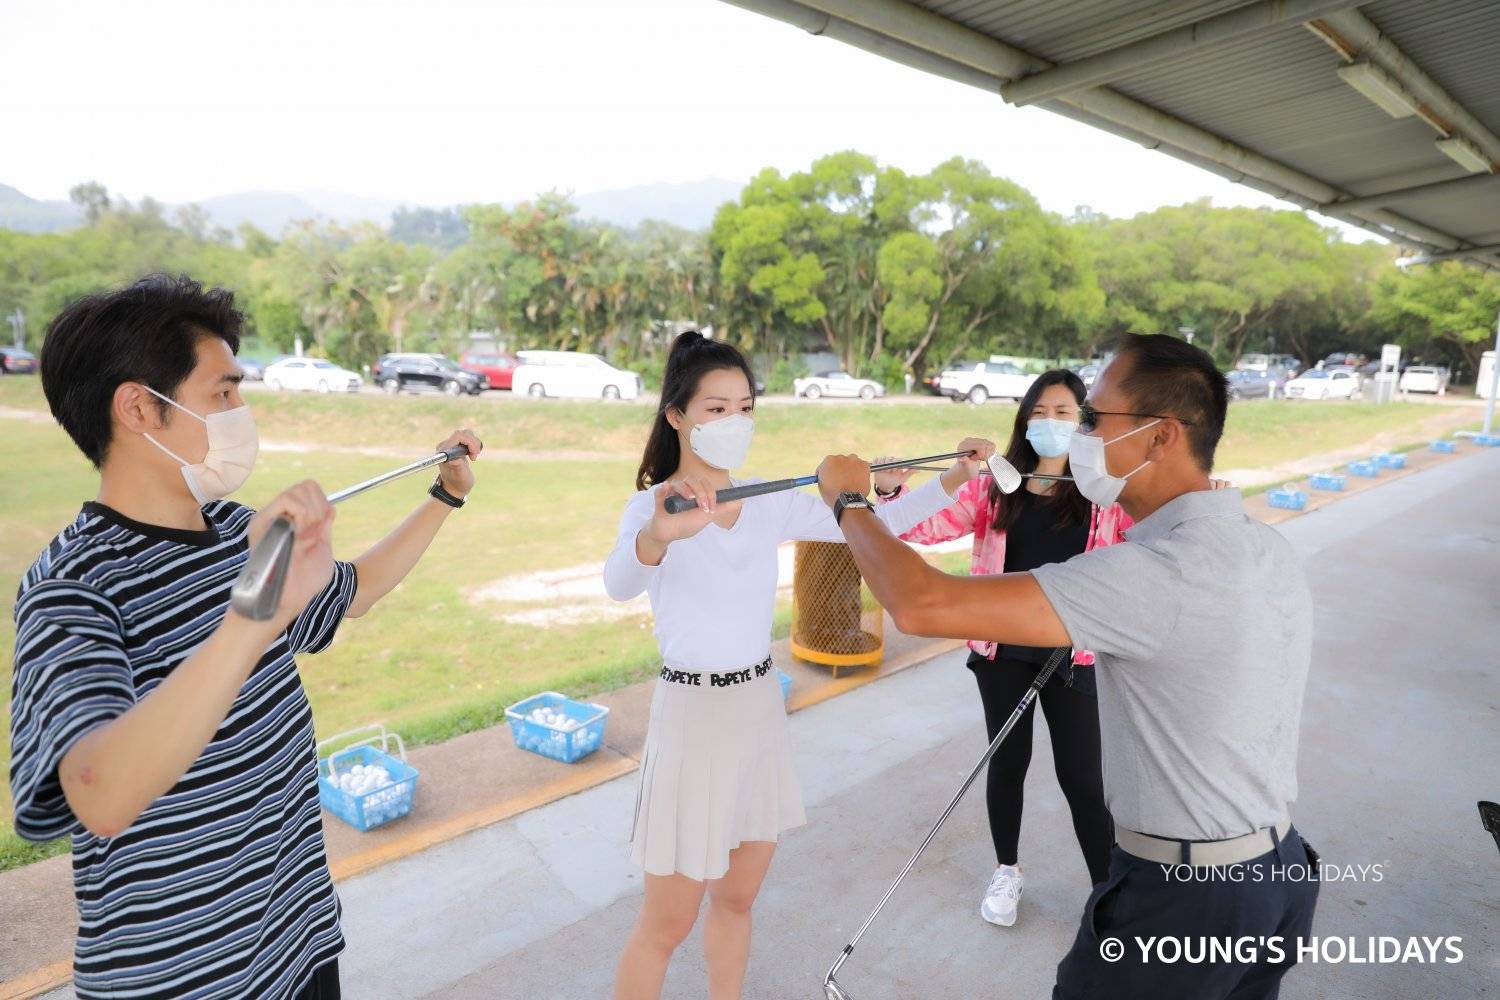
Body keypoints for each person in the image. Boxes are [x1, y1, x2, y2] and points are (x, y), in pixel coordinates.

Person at [9, 274, 483, 1000]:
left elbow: (349, 595)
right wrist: (252, 612)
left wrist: (444, 495)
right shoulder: (72, 587)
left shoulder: (236, 530)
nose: (242, 413)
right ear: (139, 406)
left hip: (297, 939)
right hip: (181, 980)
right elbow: (100, 795)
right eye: (223, 394)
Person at [814, 333, 1318, 1000]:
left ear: (1162, 436)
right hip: (1277, 875)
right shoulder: (1262, 546)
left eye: (1092, 419)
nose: (1077, 432)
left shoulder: (1153, 573)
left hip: (1185, 899)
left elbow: (920, 600)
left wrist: (850, 502)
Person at [603, 330, 991, 1000]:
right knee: (665, 924)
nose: (734, 421)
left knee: (737, 900)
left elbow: (876, 520)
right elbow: (618, 584)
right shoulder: (653, 507)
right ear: (676, 415)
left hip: (757, 708)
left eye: (745, 407)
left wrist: (955, 476)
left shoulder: (765, 499)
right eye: (716, 408)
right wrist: (656, 536)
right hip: (691, 719)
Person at [869, 369, 1127, 927]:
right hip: (1002, 651)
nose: (1050, 422)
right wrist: (891, 488)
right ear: (1023, 420)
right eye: (1040, 411)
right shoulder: (994, 488)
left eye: (1063, 412)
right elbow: (923, 529)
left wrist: (1210, 495)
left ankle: (1108, 892)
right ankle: (1007, 870)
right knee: (1007, 763)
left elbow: (1156, 534)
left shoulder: (1102, 496)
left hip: (1069, 653)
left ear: (1082, 425)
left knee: (1082, 777)